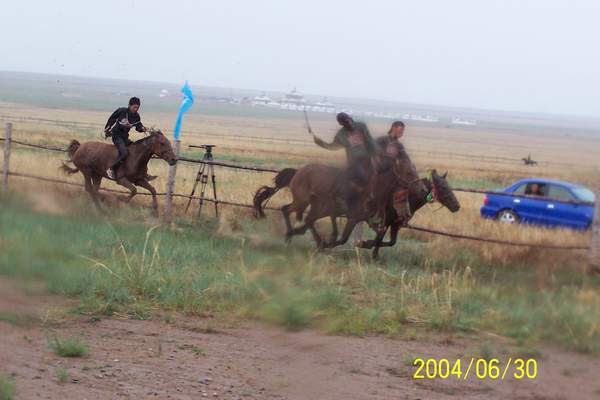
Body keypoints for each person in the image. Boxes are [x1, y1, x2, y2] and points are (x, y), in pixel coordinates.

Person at [312, 112, 377, 206]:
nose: (349, 123)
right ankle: (360, 197)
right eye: (345, 122)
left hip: (368, 157)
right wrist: (321, 143)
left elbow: (369, 140)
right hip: (355, 162)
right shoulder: (341, 135)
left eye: (349, 120)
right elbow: (332, 147)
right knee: (363, 177)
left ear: (350, 117)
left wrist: (376, 153)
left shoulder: (361, 126)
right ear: (341, 124)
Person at [374, 121, 418, 222]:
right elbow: (372, 151)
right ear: (393, 127)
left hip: (391, 173)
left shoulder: (399, 145)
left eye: (403, 130)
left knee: (404, 188)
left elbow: (406, 159)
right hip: (377, 171)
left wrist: (411, 168)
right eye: (400, 129)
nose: (402, 132)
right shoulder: (382, 140)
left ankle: (401, 216)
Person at [104, 97, 147, 180]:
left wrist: (143, 129)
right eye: (134, 107)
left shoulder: (136, 116)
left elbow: (138, 127)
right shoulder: (122, 111)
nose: (136, 109)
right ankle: (111, 169)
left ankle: (142, 173)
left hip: (125, 137)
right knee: (124, 152)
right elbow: (112, 118)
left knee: (136, 150)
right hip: (116, 136)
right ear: (129, 105)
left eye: (137, 107)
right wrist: (108, 127)